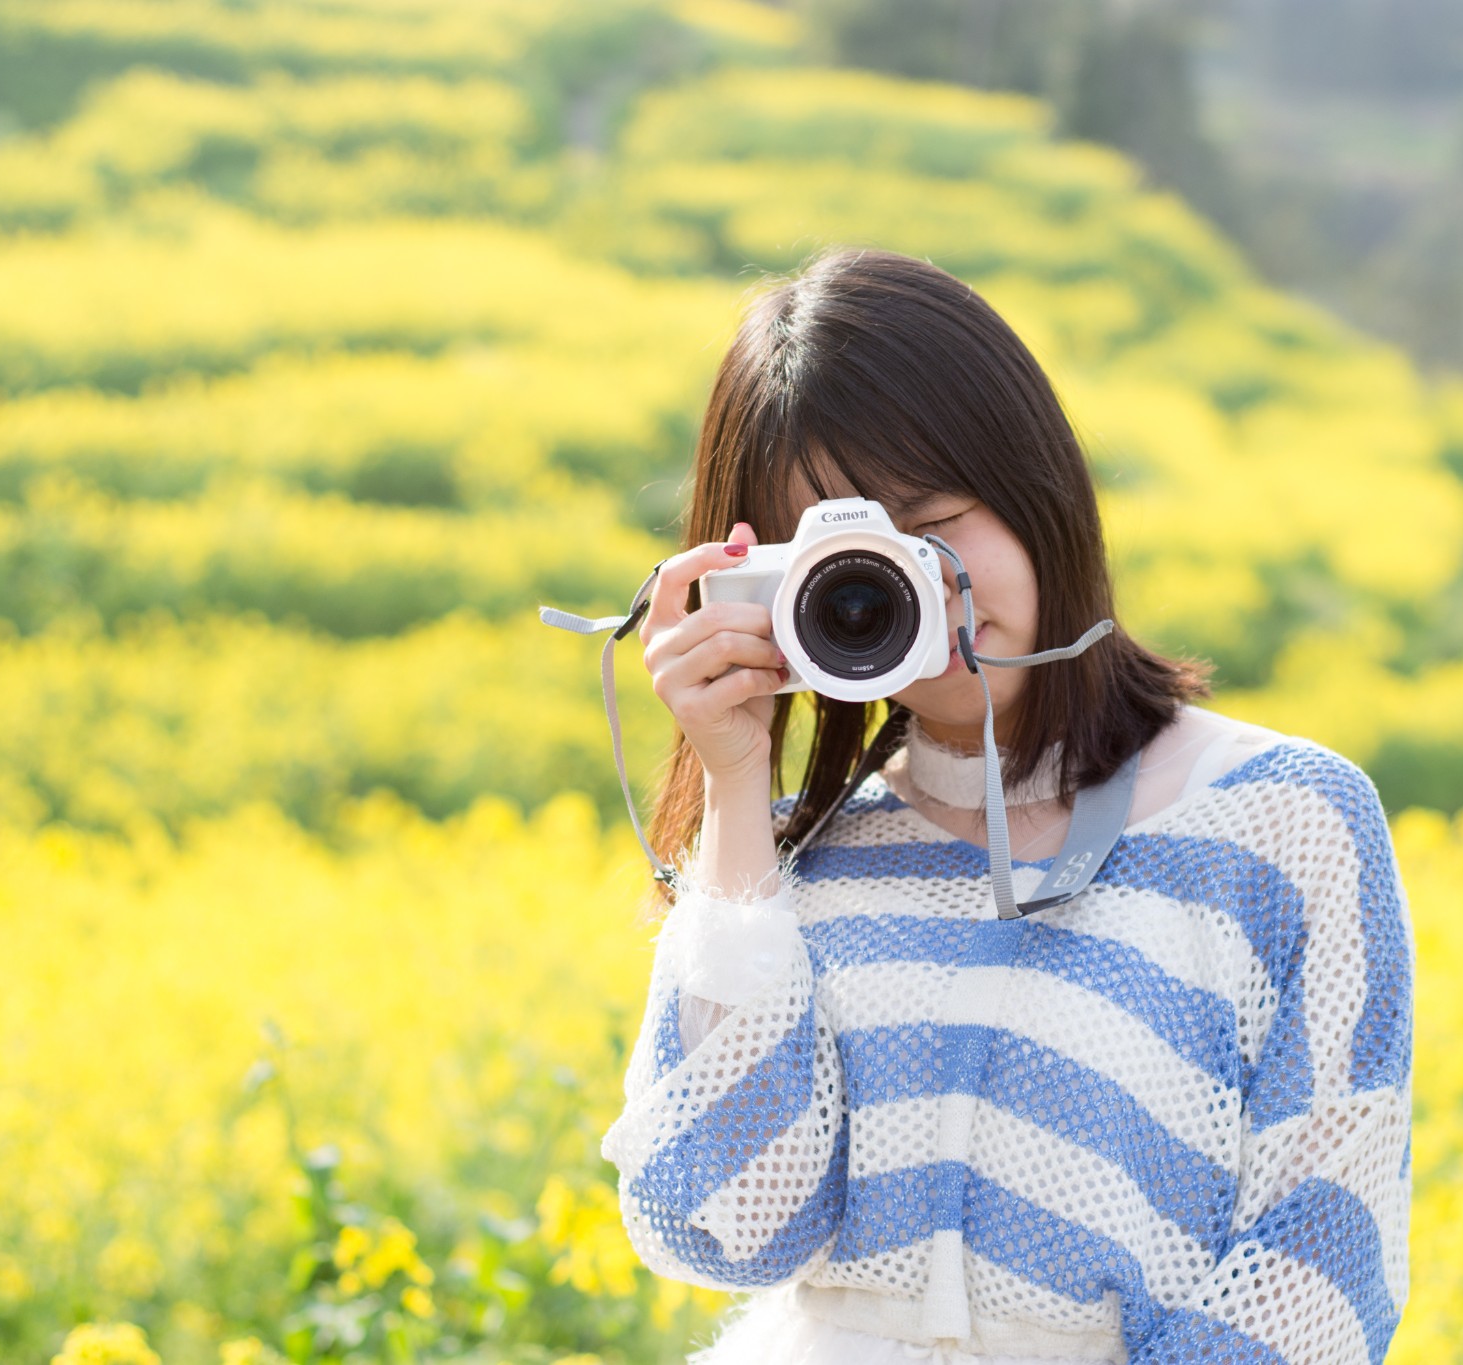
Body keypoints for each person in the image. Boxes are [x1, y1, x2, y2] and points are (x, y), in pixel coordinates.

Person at [599, 246, 1415, 1364]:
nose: (920, 585)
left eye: (934, 522)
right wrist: (736, 789)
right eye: (851, 564)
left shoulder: (1281, 823)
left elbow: (1322, 1251)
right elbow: (729, 1226)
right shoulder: (787, 860)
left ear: (1037, 488)